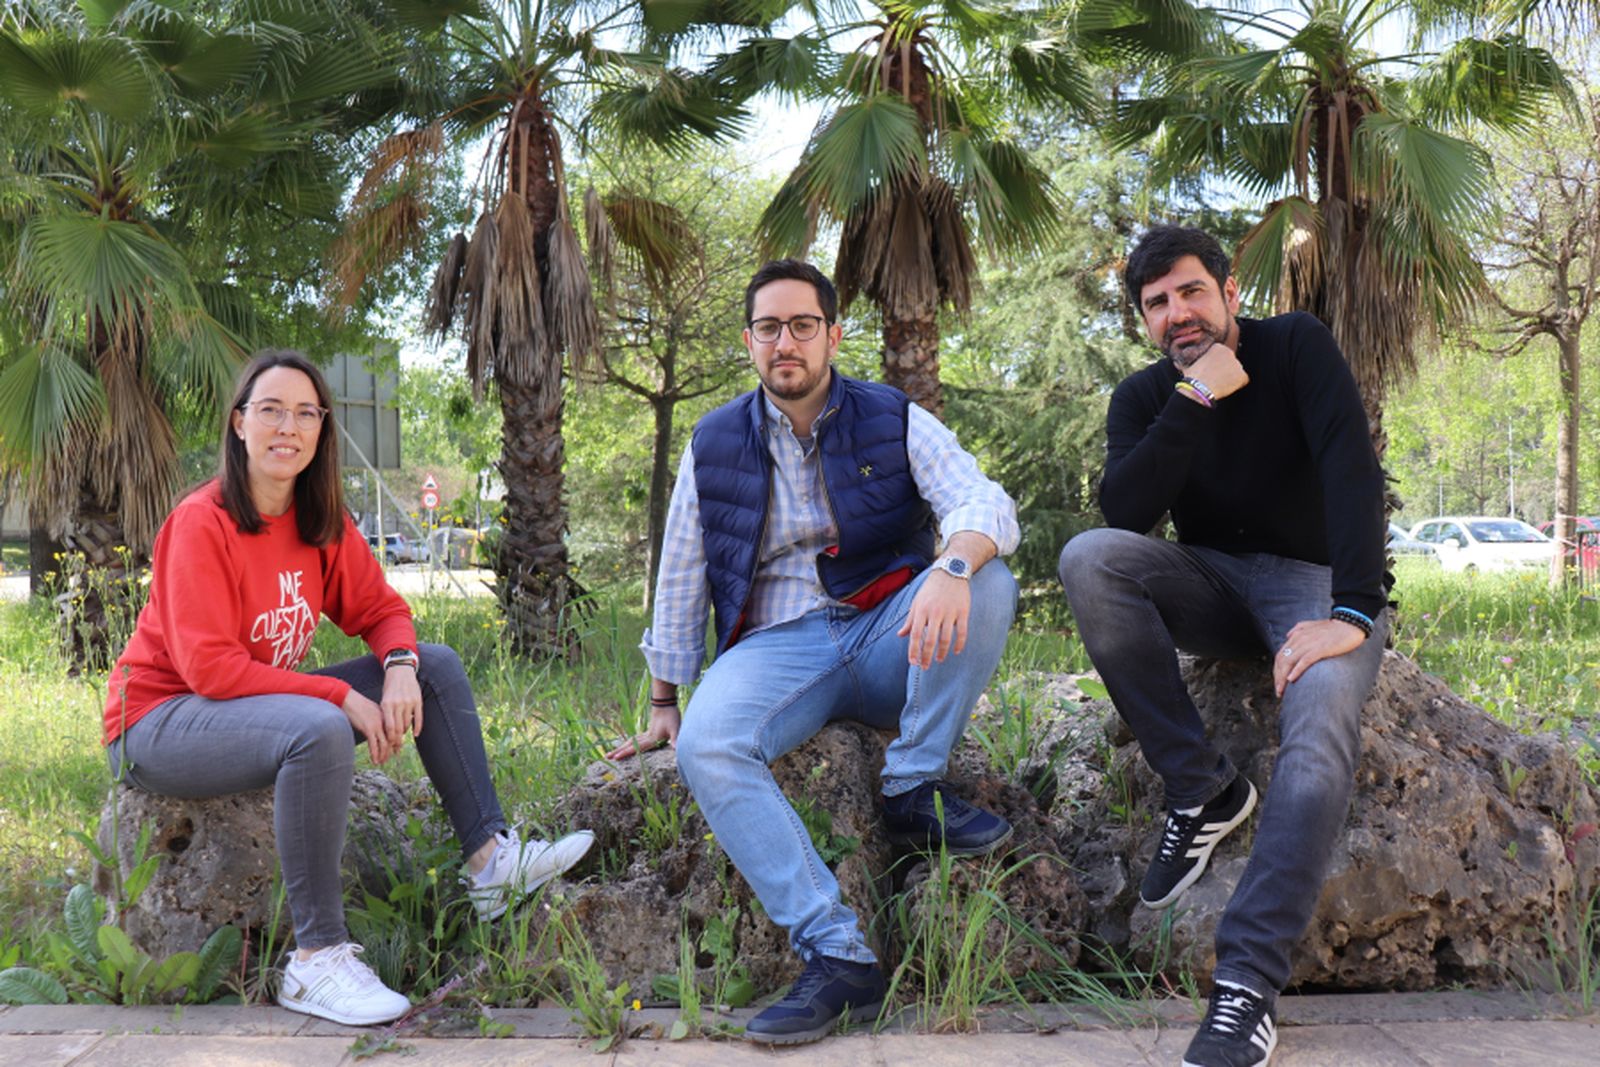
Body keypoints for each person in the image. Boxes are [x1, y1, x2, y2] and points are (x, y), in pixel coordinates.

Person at [103, 350, 594, 1027]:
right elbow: (209, 669)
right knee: (319, 729)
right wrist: (338, 696)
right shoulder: (202, 521)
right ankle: (316, 959)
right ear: (239, 423)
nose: (288, 426)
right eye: (271, 410)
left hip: (244, 708)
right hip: (158, 721)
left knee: (436, 666)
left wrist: (398, 667)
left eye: (305, 413)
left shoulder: (318, 519)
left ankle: (489, 863)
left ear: (321, 430)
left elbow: (382, 610)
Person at [607, 260, 1021, 1045]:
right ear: (749, 342)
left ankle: (912, 785)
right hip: (777, 644)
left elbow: (982, 500)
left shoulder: (891, 415)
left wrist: (953, 566)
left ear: (832, 335)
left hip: (888, 628)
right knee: (708, 744)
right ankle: (839, 956)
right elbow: (682, 569)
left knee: (989, 579)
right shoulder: (715, 440)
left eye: (802, 325)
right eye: (769, 328)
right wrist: (664, 699)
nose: (785, 342)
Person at [1058, 226, 1388, 1067]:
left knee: (1319, 731)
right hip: (1209, 584)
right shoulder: (1146, 397)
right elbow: (1125, 513)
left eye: (1192, 291)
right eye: (1157, 303)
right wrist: (1195, 396)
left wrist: (1353, 609)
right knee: (1090, 559)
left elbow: (1352, 468)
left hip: (1317, 587)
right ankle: (1202, 789)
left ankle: (1245, 982)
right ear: (1144, 319)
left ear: (1230, 291)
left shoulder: (1296, 345)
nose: (1178, 313)